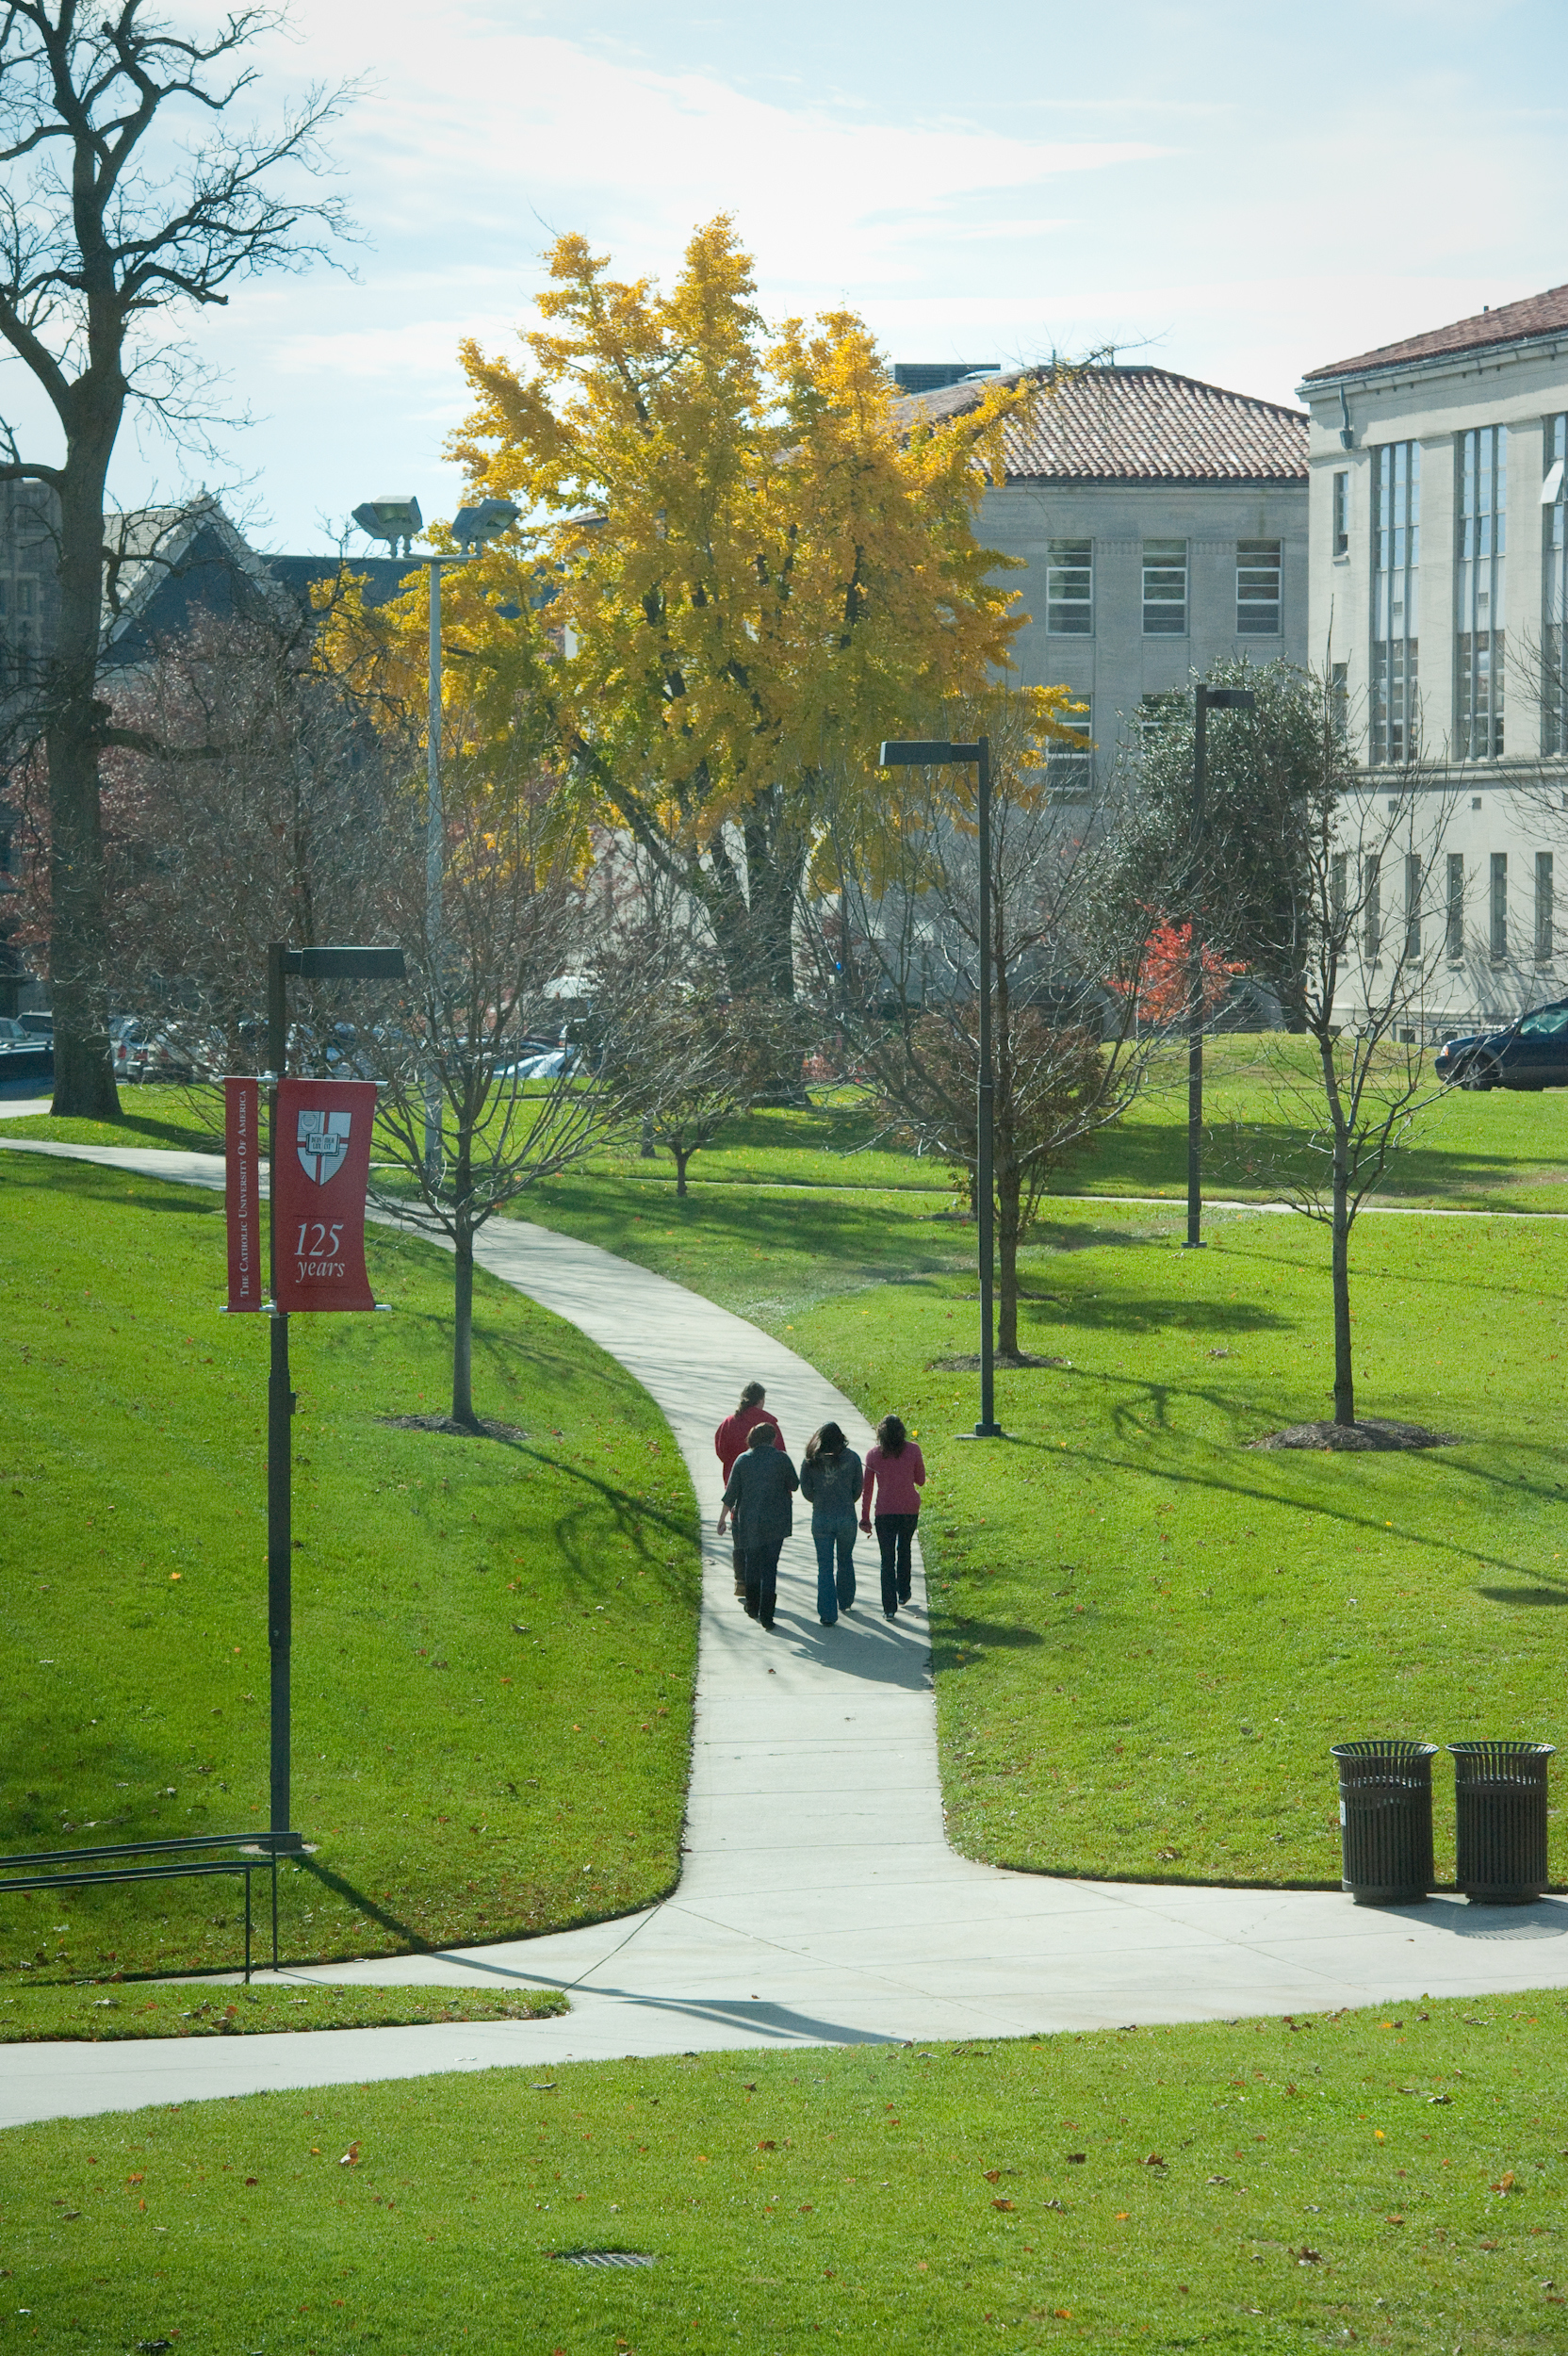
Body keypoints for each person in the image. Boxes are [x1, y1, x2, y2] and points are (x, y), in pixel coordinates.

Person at [718, 1422, 799, 1629]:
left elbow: (732, 1493)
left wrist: (722, 1519)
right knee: (770, 1567)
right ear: (772, 1439)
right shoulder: (781, 1459)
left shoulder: (743, 1460)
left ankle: (752, 1605)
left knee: (752, 1563)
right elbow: (794, 1485)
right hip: (776, 1522)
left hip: (749, 1522)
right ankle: (767, 1615)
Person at [714, 1382, 786, 1602]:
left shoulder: (728, 1423)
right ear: (761, 1400)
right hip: (767, 1492)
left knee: (740, 1535)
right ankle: (762, 1585)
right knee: (763, 1543)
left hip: (738, 1487)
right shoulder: (769, 1424)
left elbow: (721, 1451)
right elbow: (781, 1453)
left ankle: (741, 1580)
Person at [859, 1413, 925, 1620]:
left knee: (886, 1559)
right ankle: (903, 1592)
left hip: (885, 1511)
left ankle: (889, 1607)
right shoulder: (913, 1450)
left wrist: (865, 1517)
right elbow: (921, 1480)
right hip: (908, 1509)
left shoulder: (873, 1455)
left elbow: (867, 1490)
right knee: (904, 1548)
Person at [799, 1421, 863, 1626]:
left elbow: (807, 1491)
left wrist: (819, 1499)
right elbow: (857, 1490)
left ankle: (827, 1613)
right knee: (845, 1558)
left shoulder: (810, 1461)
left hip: (821, 1517)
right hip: (846, 1516)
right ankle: (845, 1600)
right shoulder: (852, 1458)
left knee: (824, 1566)